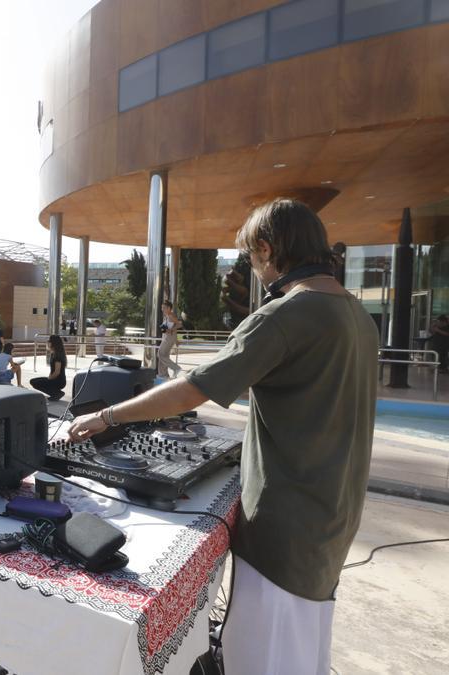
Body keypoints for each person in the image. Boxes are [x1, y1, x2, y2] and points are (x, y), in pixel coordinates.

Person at [69, 199, 377, 675]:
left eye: (251, 260)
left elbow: (193, 390)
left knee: (262, 658)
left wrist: (109, 417)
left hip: (284, 525)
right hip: (333, 514)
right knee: (305, 649)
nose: (254, 271)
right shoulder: (357, 314)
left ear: (267, 249)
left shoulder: (284, 315)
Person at [29, 334, 67, 400]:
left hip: (59, 381)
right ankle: (56, 392)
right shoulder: (54, 354)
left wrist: (49, 379)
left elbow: (57, 372)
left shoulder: (57, 356)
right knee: (33, 381)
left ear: (54, 343)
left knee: (35, 383)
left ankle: (56, 393)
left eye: (49, 342)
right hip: (55, 379)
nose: (47, 343)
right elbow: (53, 370)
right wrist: (49, 378)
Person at [157, 300, 181, 378]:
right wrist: (176, 340)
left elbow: (179, 324)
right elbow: (167, 328)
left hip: (168, 338)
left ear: (169, 308)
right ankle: (163, 375)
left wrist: (171, 330)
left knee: (160, 354)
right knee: (164, 356)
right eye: (162, 308)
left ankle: (176, 368)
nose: (162, 309)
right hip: (166, 337)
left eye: (163, 308)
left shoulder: (171, 315)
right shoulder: (167, 316)